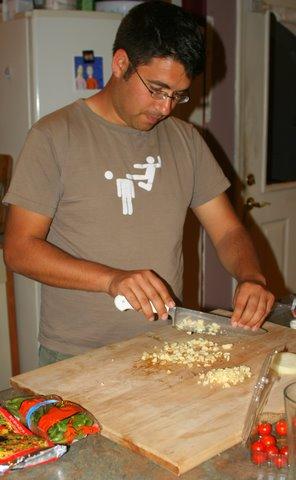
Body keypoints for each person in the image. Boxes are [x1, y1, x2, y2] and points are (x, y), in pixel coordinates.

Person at [3, 1, 274, 366]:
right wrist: (112, 279)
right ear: (120, 64)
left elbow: (227, 231)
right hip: (76, 354)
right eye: (157, 89)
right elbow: (19, 249)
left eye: (178, 95)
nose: (165, 108)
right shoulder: (54, 136)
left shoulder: (187, 140)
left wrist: (251, 277)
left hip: (166, 342)